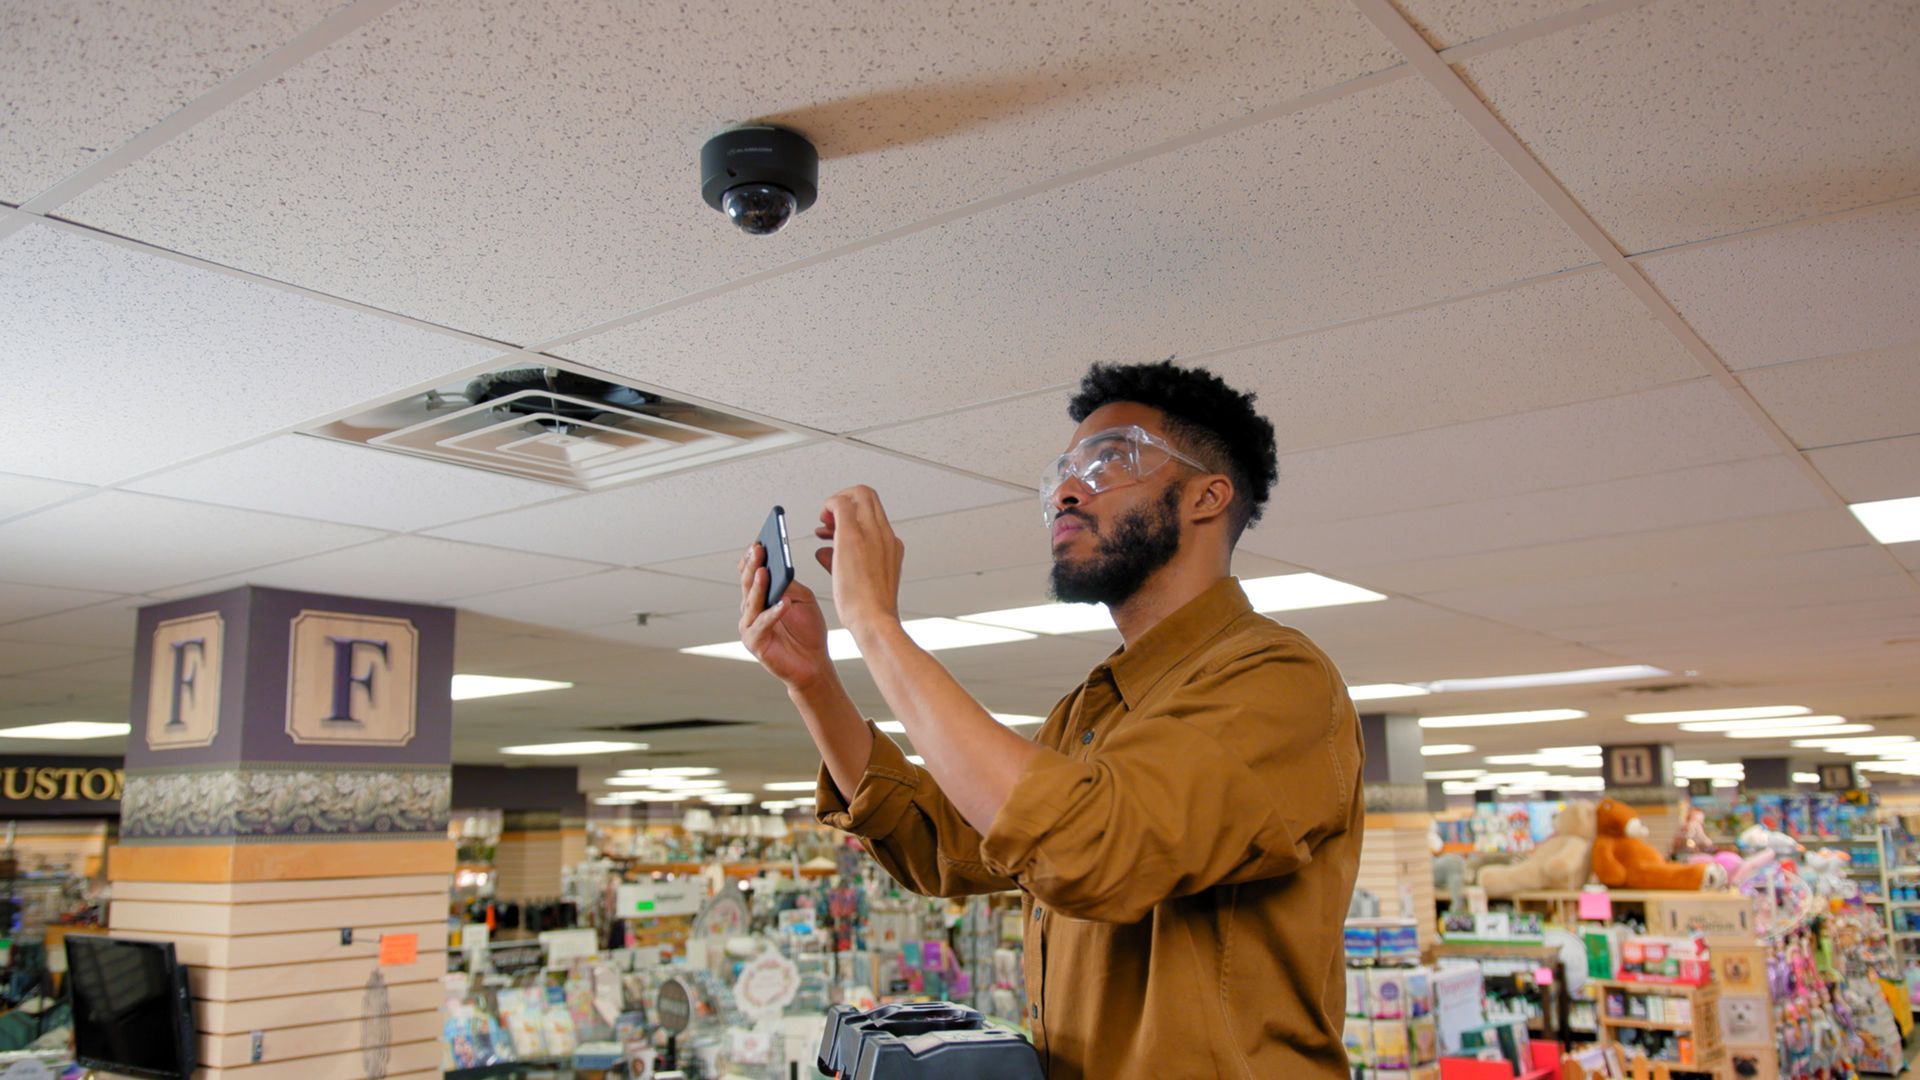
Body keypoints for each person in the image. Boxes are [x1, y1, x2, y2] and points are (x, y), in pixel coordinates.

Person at [736, 359, 1363, 1078]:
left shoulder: (1280, 680)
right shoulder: (1091, 711)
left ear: (1207, 497)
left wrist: (877, 625)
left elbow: (1094, 845)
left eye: (1107, 462)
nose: (1066, 490)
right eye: (1063, 471)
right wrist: (815, 683)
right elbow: (944, 842)